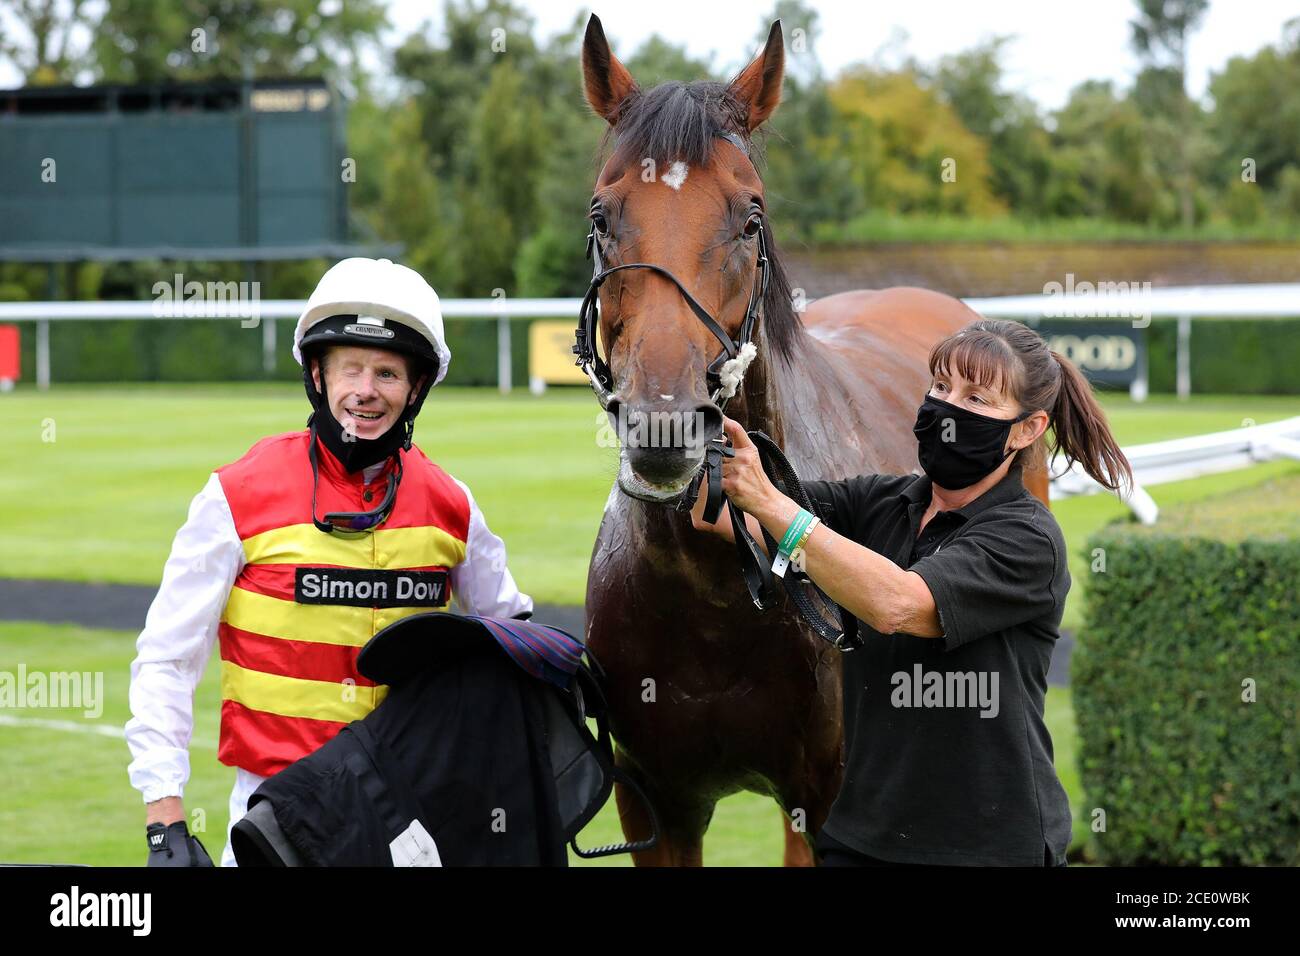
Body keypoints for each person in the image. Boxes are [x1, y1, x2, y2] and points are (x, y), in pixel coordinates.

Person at [125, 257, 532, 867]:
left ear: (416, 388)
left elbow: (512, 645)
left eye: (388, 373)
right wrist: (164, 820)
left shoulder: (454, 506)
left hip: (415, 824)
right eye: (352, 369)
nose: (366, 391)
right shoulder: (235, 495)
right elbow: (167, 657)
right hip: (273, 821)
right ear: (318, 373)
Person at [691, 318, 1133, 866]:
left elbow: (897, 605)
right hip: (859, 838)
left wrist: (775, 506)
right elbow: (720, 517)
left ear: (1026, 428)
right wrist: (688, 419)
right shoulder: (880, 500)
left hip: (987, 848)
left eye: (977, 397)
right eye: (941, 387)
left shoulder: (1028, 538)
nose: (947, 408)